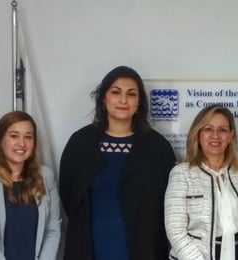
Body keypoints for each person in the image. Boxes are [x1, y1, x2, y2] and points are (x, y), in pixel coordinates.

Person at [59, 65, 176, 260]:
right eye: (116, 92)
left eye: (131, 94)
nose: (123, 100)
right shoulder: (80, 143)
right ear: (103, 98)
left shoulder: (158, 148)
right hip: (88, 250)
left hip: (144, 250)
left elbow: (170, 205)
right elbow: (68, 194)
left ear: (139, 102)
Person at [164, 105, 238, 260]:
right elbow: (175, 230)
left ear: (231, 135)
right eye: (208, 129)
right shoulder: (181, 174)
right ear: (198, 133)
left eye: (222, 130)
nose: (215, 136)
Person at [0, 111, 61, 260]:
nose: (22, 143)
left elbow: (53, 229)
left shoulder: (46, 176)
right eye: (14, 136)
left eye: (28, 137)